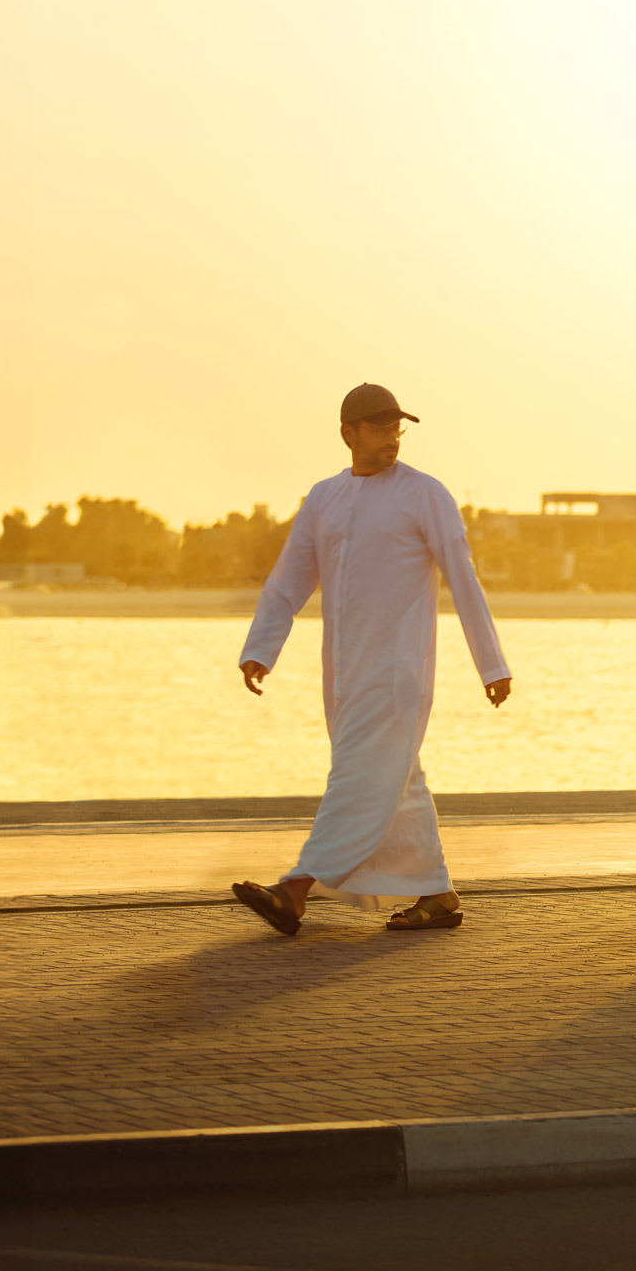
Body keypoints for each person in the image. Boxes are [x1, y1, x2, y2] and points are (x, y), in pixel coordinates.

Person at [229, 383, 512, 935]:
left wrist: (492, 665)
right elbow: (289, 580)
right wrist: (261, 648)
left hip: (398, 671)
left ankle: (296, 889)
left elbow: (463, 578)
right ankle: (438, 895)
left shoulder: (425, 495)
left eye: (397, 429)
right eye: (381, 428)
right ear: (348, 434)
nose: (392, 439)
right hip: (344, 674)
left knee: (357, 779)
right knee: (395, 782)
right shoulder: (324, 498)